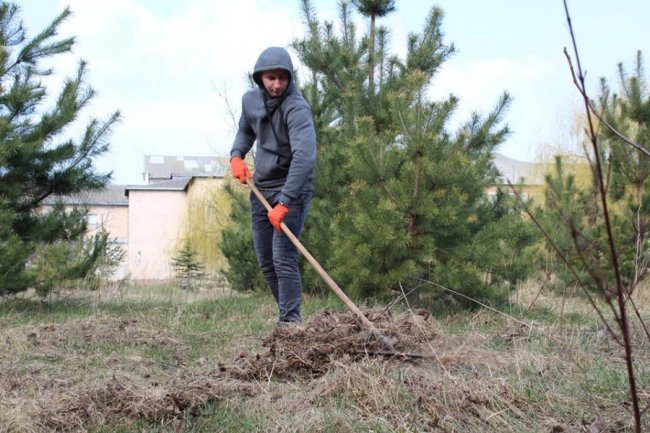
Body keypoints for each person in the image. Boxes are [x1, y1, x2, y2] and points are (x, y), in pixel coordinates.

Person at [229, 46, 317, 326]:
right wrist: (236, 156)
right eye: (271, 78)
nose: (277, 84)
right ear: (259, 78)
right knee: (266, 260)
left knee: (283, 257)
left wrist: (286, 202)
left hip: (292, 189)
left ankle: (290, 324)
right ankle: (287, 316)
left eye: (283, 78)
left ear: (290, 78)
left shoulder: (297, 108)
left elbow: (305, 157)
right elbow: (245, 131)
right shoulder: (250, 101)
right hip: (261, 188)